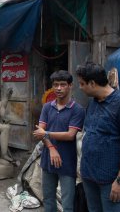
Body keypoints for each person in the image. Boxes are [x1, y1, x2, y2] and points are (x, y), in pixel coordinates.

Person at [33, 70, 85, 212]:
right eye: (56, 85)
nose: (59, 88)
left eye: (63, 84)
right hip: (47, 159)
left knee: (68, 204)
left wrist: (47, 133)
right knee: (48, 199)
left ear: (70, 86)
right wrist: (51, 148)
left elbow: (70, 135)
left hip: (67, 162)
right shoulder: (47, 107)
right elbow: (39, 132)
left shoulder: (77, 110)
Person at [76, 62, 120, 211]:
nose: (80, 87)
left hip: (110, 180)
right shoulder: (92, 103)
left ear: (92, 83)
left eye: (82, 84)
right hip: (89, 175)